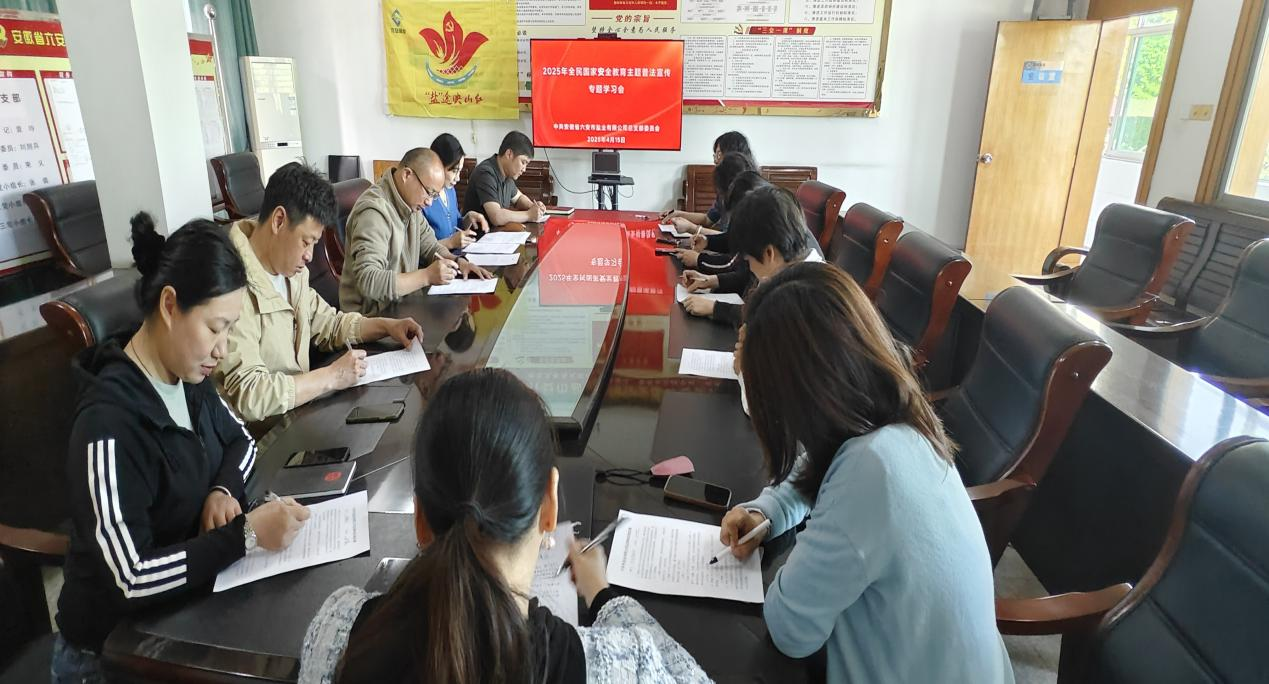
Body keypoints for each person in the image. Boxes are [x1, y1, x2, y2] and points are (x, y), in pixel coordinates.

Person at [299, 369, 708, 684]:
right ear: (549, 507)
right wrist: (602, 594)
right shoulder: (619, 665)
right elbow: (681, 670)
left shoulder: (337, 629)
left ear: (419, 518)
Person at [721, 262, 1014, 684]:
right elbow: (816, 464)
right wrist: (766, 512)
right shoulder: (899, 422)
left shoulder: (870, 472)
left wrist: (802, 557)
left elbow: (790, 629)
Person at [53, 213, 311, 683]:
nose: (222, 348)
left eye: (230, 330)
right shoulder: (106, 423)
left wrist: (222, 489)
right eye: (215, 328)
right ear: (170, 305)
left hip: (183, 618)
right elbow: (131, 579)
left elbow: (242, 441)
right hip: (111, 654)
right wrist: (244, 536)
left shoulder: (188, 377)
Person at [216, 162, 426, 423]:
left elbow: (329, 324)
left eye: (315, 243)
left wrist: (386, 326)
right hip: (267, 431)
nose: (309, 256)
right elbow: (249, 393)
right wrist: (331, 376)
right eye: (306, 242)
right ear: (279, 220)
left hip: (300, 413)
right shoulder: (230, 283)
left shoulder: (290, 270)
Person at [341, 148, 492, 316]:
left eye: (435, 196)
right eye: (429, 193)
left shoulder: (410, 204)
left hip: (403, 302)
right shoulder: (374, 212)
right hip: (373, 316)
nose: (429, 202)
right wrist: (426, 276)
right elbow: (370, 281)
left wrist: (459, 263)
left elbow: (431, 247)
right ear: (407, 175)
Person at [680, 184, 823, 326]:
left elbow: (763, 317)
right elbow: (749, 281)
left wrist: (716, 308)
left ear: (769, 253)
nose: (749, 266)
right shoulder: (790, 259)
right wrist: (711, 281)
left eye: (748, 258)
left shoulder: (802, 295)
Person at [672, 166, 767, 270]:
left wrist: (698, 259)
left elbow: (739, 265)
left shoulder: (759, 222)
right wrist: (708, 241)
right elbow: (732, 240)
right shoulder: (750, 202)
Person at [660, 131, 754, 231]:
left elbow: (731, 238)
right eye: (715, 155)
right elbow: (707, 220)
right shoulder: (725, 186)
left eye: (719, 154)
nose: (715, 161)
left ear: (735, 156)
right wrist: (678, 214)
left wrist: (692, 228)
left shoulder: (749, 192)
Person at [464, 131, 546, 227]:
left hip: (497, 233)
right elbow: (497, 217)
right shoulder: (485, 173)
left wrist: (533, 207)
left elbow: (518, 198)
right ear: (509, 154)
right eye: (523, 162)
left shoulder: (507, 174)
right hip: (478, 235)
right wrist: (529, 215)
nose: (524, 169)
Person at [422, 133, 488, 247]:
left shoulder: (450, 191)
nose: (457, 178)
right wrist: (450, 243)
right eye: (454, 171)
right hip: (437, 258)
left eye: (460, 171)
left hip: (456, 254)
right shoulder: (422, 199)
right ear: (437, 166)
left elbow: (455, 226)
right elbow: (419, 249)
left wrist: (468, 218)